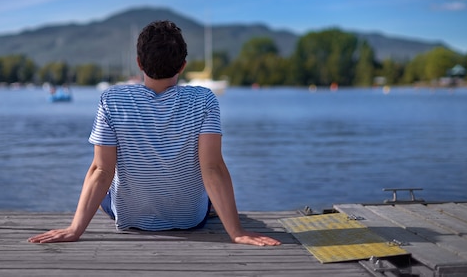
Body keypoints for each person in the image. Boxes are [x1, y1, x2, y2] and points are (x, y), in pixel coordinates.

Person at [29, 20, 281, 247]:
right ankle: (212, 208)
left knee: (106, 188)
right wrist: (236, 232)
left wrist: (75, 229)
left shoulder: (112, 100)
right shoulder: (204, 100)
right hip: (189, 219)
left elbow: (101, 171)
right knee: (206, 195)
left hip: (130, 218)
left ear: (139, 63)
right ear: (183, 65)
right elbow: (212, 168)